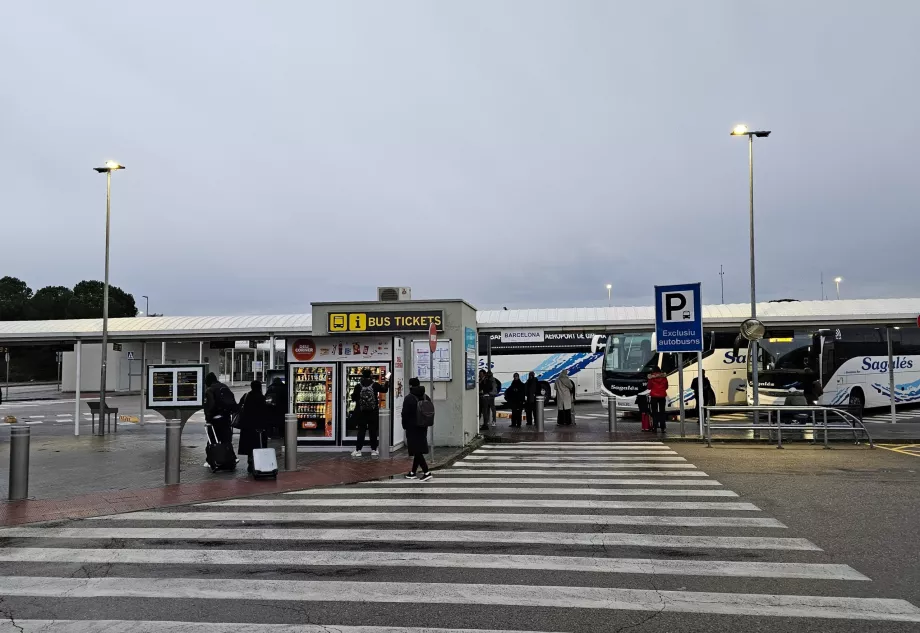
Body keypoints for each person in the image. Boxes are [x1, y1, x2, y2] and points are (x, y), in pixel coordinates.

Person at [350, 368, 389, 457]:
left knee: (361, 431)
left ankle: (358, 450)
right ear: (371, 375)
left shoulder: (358, 386)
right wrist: (387, 380)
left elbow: (354, 398)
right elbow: (384, 390)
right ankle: (374, 450)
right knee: (373, 431)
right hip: (373, 412)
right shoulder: (374, 385)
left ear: (362, 376)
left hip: (361, 412)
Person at [203, 372, 237, 469]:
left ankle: (211, 460)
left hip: (215, 419)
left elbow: (210, 406)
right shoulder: (224, 386)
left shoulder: (210, 390)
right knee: (226, 439)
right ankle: (231, 458)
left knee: (212, 440)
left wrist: (208, 418)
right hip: (226, 417)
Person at [401, 377, 433, 481]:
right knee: (417, 449)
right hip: (423, 426)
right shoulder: (426, 396)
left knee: (416, 450)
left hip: (412, 427)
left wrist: (404, 426)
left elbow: (404, 414)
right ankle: (413, 472)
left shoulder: (409, 398)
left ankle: (426, 472)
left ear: (410, 386)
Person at [237, 380, 267, 473]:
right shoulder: (261, 397)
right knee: (258, 444)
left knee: (249, 445)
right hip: (259, 426)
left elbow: (239, 407)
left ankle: (250, 462)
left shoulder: (246, 396)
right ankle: (257, 463)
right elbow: (265, 412)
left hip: (247, 425)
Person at [647, 366, 669, 433]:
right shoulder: (664, 377)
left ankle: (655, 427)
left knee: (654, 412)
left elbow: (649, 387)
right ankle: (663, 428)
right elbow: (666, 387)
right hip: (662, 396)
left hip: (654, 396)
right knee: (662, 412)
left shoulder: (651, 378)